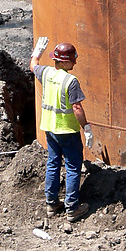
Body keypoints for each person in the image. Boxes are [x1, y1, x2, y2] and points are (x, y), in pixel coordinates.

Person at [29, 37, 93, 223]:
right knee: (73, 167)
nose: (76, 61)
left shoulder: (46, 73)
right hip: (67, 131)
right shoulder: (71, 81)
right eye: (73, 58)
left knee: (53, 163)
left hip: (49, 129)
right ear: (65, 61)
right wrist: (86, 128)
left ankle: (52, 203)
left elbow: (33, 65)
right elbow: (77, 108)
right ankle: (72, 208)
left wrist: (37, 53)